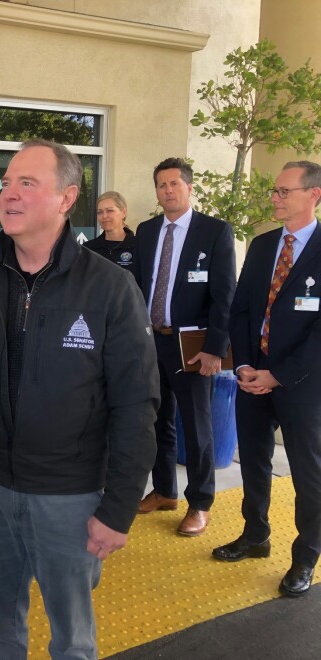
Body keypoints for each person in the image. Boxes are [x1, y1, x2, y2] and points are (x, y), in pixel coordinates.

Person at [0, 139, 158, 659]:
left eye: (27, 183)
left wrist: (119, 507)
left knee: (72, 639)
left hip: (69, 495)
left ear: (66, 198)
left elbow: (136, 407)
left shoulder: (110, 288)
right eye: (6, 183)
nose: (9, 193)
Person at [212, 161, 321, 598]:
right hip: (251, 376)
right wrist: (242, 367)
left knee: (308, 474)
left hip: (302, 384)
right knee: (253, 464)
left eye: (284, 191)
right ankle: (255, 534)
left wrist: (279, 375)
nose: (274, 198)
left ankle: (306, 554)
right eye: (274, 191)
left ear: (313, 194)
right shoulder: (261, 246)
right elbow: (239, 310)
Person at [133, 157, 236, 537]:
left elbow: (225, 296)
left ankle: (200, 502)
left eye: (175, 183)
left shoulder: (214, 232)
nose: (167, 191)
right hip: (150, 341)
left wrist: (214, 348)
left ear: (190, 188)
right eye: (161, 185)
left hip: (192, 345)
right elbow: (137, 287)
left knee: (197, 427)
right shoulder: (145, 232)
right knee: (156, 420)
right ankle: (164, 490)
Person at [84, 191, 136, 276]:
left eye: (109, 211)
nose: (104, 216)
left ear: (123, 212)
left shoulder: (138, 247)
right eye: (99, 212)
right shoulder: (88, 249)